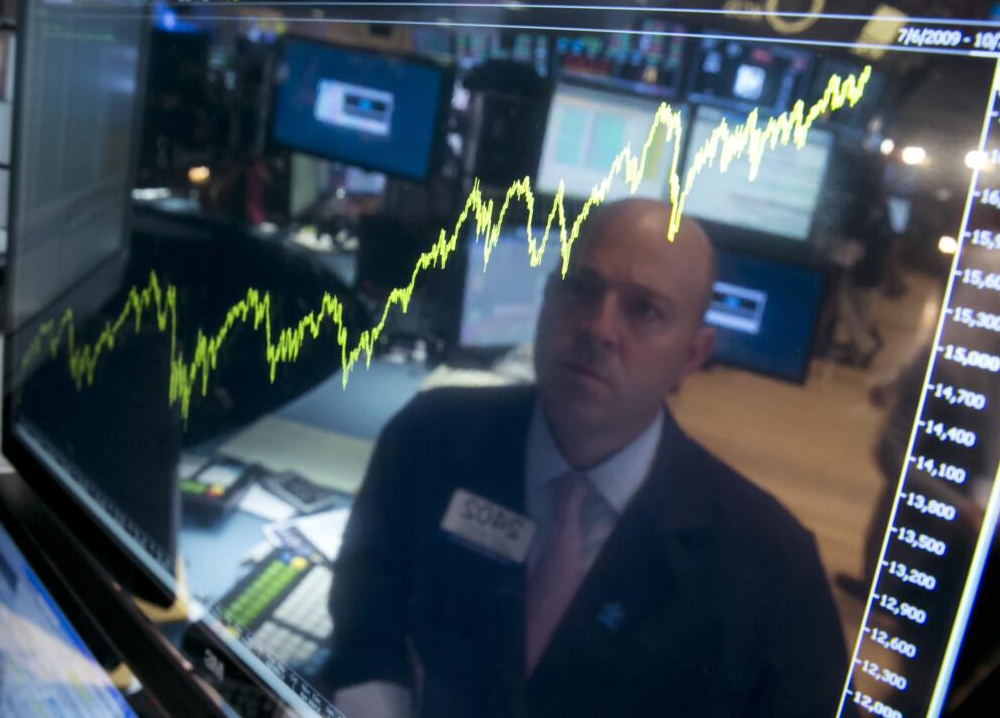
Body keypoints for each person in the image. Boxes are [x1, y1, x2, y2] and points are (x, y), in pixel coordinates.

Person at [323, 199, 847, 718]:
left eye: (645, 310)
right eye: (580, 288)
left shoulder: (774, 568)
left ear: (692, 355)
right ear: (547, 299)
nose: (598, 327)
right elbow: (363, 607)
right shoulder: (428, 436)